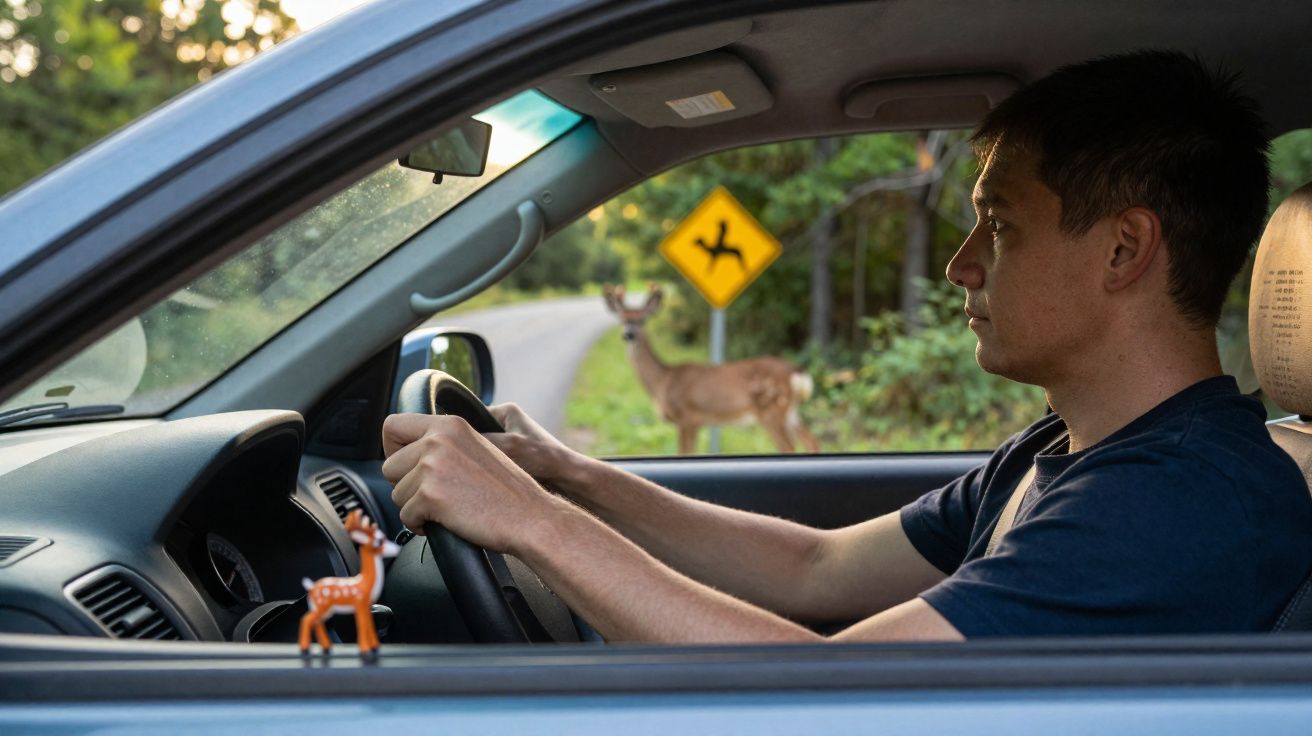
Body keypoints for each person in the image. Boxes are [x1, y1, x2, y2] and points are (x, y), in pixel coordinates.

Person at [380, 51, 1312, 642]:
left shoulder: (1175, 504)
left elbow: (821, 695)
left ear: (1123, 250)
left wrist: (531, 523)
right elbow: (815, 569)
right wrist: (562, 474)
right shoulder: (1064, 449)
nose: (961, 265)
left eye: (1002, 226)